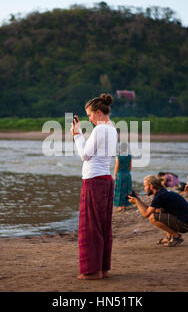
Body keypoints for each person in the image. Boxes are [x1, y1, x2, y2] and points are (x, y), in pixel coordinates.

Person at [71, 93, 118, 280]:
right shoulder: (112, 128)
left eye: (90, 115)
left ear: (98, 112)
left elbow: (85, 155)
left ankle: (92, 271)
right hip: (106, 179)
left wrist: (76, 134)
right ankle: (103, 268)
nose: (89, 119)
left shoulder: (99, 130)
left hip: (94, 180)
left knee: (90, 226)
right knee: (104, 225)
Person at [127, 175, 188, 247]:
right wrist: (139, 200)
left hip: (185, 225)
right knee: (157, 211)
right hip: (185, 222)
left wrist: (137, 202)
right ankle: (170, 238)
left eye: (145, 186)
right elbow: (149, 210)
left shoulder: (160, 196)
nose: (144, 189)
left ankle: (176, 237)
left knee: (152, 217)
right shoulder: (161, 193)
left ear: (151, 186)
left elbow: (146, 214)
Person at [113, 142, 132, 211]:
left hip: (120, 174)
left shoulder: (118, 156)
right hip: (127, 174)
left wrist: (115, 175)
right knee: (127, 189)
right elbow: (130, 167)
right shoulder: (129, 156)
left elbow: (117, 166)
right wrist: (127, 172)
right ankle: (125, 205)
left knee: (119, 190)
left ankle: (120, 206)